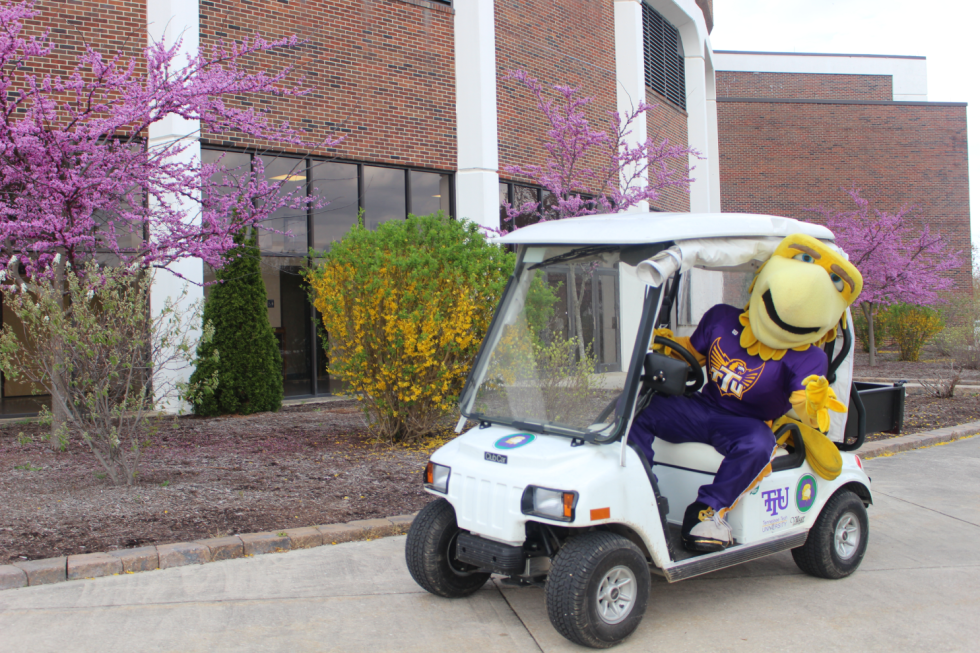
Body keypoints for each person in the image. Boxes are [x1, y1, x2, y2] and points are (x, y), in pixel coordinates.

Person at [630, 234, 863, 552]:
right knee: (637, 410)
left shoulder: (809, 357)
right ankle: (640, 492)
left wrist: (813, 402)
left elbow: (806, 403)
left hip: (748, 423)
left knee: (758, 445)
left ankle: (708, 511)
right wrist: (662, 349)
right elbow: (690, 356)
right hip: (705, 405)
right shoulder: (721, 319)